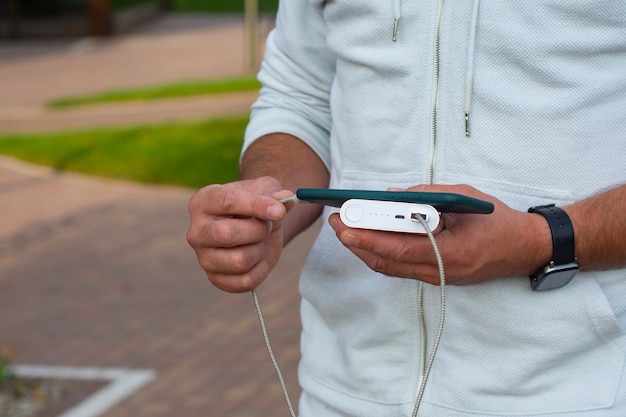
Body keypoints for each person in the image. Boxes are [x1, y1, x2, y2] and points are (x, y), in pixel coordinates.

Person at [187, 1, 626, 416]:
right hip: (343, 388)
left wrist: (540, 240)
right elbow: (299, 100)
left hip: (578, 391)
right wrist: (266, 203)